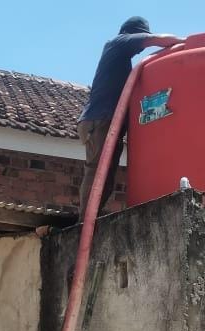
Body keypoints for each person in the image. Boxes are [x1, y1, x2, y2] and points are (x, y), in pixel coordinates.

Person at [77, 17, 183, 219]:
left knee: (105, 174)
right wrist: (185, 41)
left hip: (101, 121)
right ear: (133, 33)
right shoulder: (118, 43)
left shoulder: (120, 59)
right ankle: (84, 222)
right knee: (98, 170)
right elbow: (158, 39)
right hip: (99, 120)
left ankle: (91, 219)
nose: (140, 51)